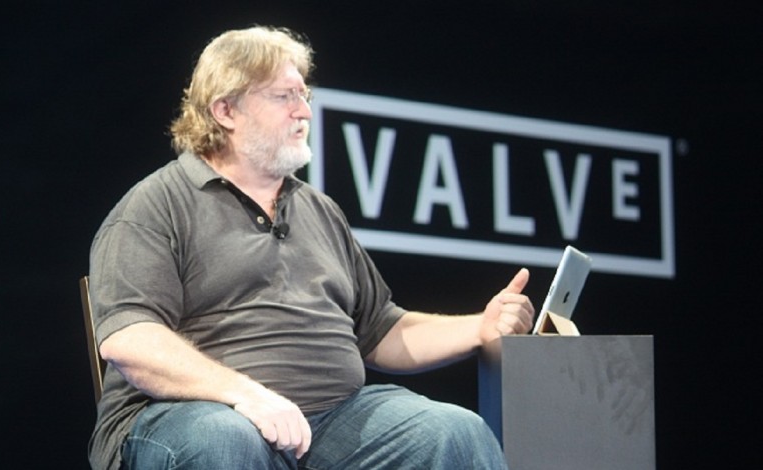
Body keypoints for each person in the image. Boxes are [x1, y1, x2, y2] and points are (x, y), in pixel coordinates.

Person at [87, 25, 535, 470]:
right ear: (226, 110)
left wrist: (479, 327)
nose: (303, 111)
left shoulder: (320, 210)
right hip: (192, 416)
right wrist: (247, 395)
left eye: (305, 96)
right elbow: (130, 339)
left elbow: (380, 331)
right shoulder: (155, 206)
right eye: (284, 96)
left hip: (331, 421)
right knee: (224, 440)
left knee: (454, 432)